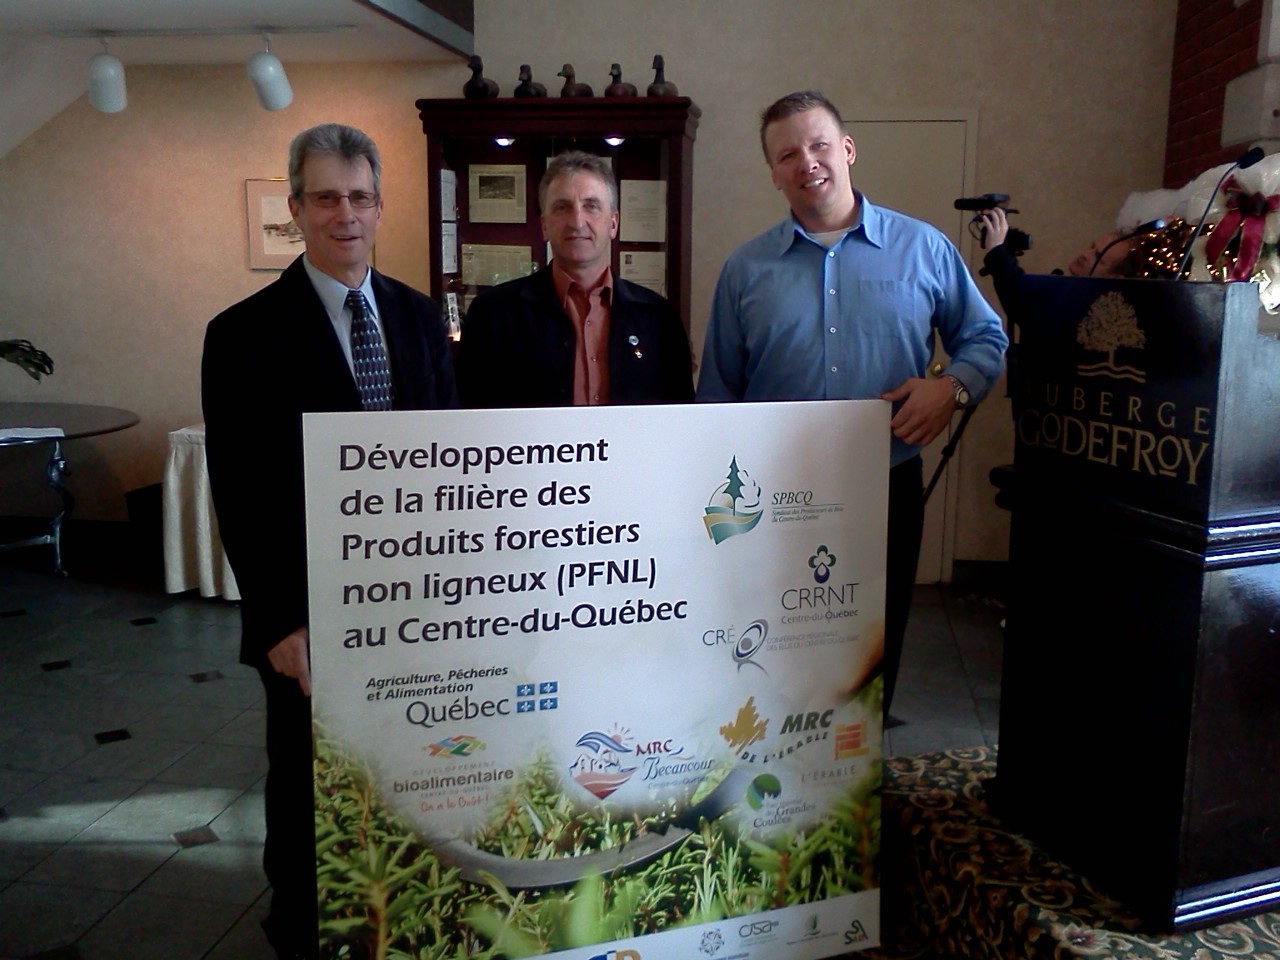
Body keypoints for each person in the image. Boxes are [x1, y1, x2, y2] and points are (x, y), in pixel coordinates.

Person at [202, 123, 457, 960]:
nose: (343, 214)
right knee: (309, 787)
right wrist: (278, 622)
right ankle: (302, 928)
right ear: (296, 208)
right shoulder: (241, 333)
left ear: (380, 205)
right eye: (324, 197)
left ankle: (400, 910)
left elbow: (449, 468)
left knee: (410, 769)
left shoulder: (422, 321)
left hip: (416, 612)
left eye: (358, 196)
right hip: (307, 620)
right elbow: (239, 491)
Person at [697, 91, 1008, 718]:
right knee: (770, 644)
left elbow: (985, 337)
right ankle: (777, 784)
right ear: (774, 173)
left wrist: (950, 388)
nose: (806, 162)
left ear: (847, 150)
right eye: (787, 154)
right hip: (772, 497)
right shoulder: (745, 270)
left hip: (885, 484)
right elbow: (718, 392)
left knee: (874, 641)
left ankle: (857, 788)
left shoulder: (924, 249)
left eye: (817, 145)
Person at [455, 150, 693, 406]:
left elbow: (679, 423)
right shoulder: (492, 315)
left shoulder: (659, 318)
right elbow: (470, 426)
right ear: (544, 225)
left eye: (591, 206)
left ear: (613, 223)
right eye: (562, 207)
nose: (577, 222)